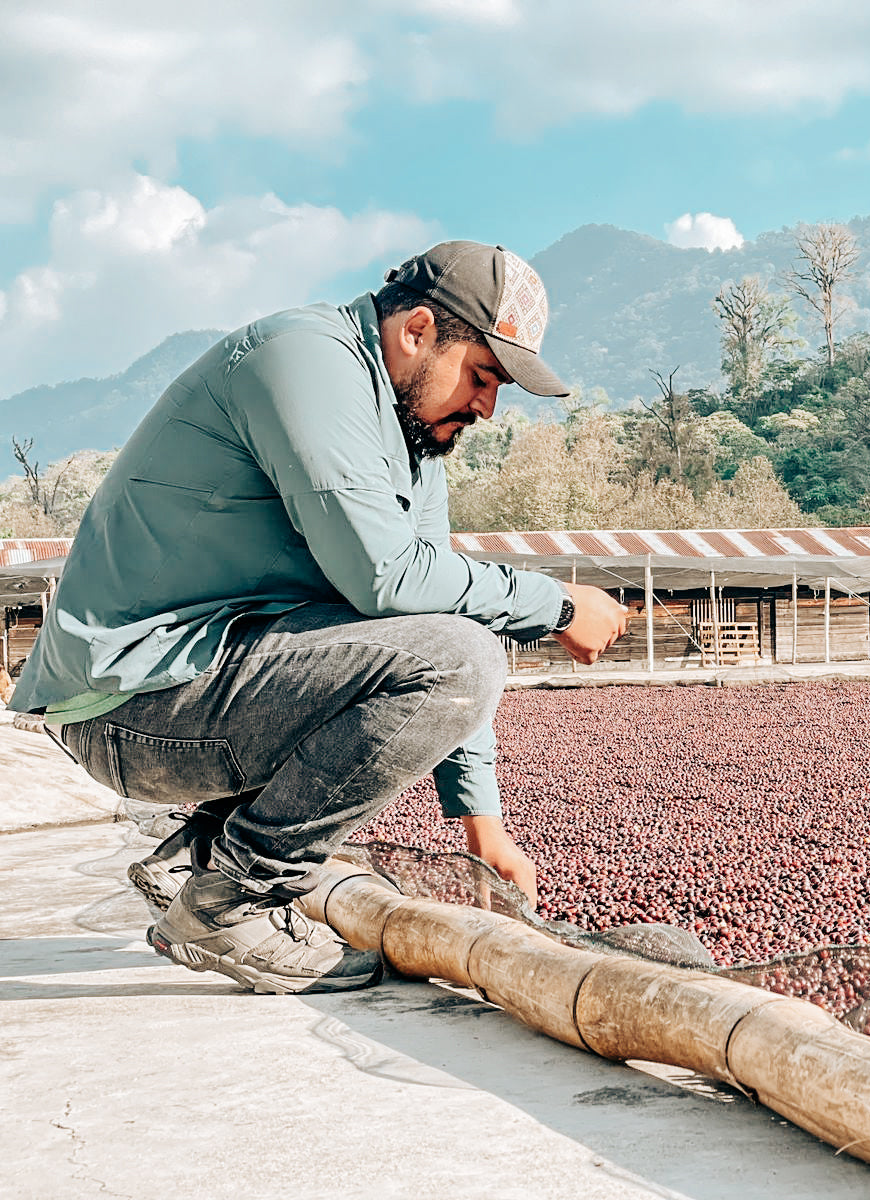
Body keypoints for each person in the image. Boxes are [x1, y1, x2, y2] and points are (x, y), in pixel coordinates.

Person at [9, 240, 628, 995]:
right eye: (483, 375)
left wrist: (482, 827)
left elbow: (433, 616)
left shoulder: (411, 443)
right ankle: (232, 900)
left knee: (461, 649)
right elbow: (391, 582)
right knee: (465, 657)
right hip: (128, 702)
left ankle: (199, 859)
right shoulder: (304, 359)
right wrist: (558, 604)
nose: (487, 406)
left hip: (187, 685)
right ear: (417, 332)